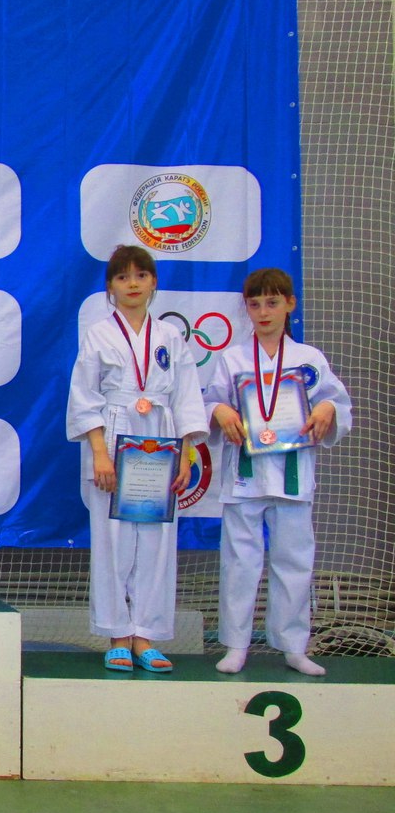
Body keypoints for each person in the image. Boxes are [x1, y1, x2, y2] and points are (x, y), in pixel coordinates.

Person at [204, 268, 351, 676]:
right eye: (255, 304)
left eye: (272, 303)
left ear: (290, 304)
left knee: (294, 561)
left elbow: (338, 403)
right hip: (245, 476)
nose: (264, 312)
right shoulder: (232, 358)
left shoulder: (309, 359)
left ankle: (293, 647)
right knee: (239, 563)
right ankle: (236, 644)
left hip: (292, 474)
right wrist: (219, 410)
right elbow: (209, 403)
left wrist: (327, 408)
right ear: (246, 309)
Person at [67, 245, 207, 672]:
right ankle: (116, 634)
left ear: (153, 282)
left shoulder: (170, 337)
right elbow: (84, 396)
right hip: (113, 435)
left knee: (156, 541)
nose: (132, 284)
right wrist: (99, 454)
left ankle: (145, 635)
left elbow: (186, 397)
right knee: (112, 540)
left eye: (141, 276)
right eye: (123, 277)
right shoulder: (98, 334)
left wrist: (186, 455)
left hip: (161, 437)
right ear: (110, 287)